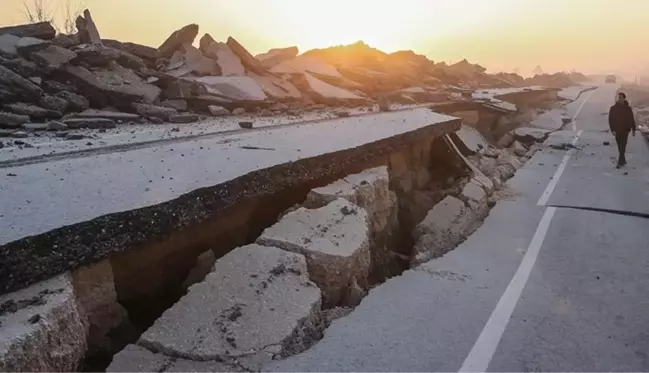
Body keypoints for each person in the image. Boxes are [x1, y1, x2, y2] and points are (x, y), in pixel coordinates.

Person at [608, 92, 637, 168]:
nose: (619, 99)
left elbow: (631, 119)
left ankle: (620, 162)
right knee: (619, 145)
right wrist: (612, 130)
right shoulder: (613, 108)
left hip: (625, 129)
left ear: (624, 98)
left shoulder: (628, 109)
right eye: (618, 97)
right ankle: (623, 159)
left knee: (623, 145)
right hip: (617, 130)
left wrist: (634, 129)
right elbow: (610, 120)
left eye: (621, 97)